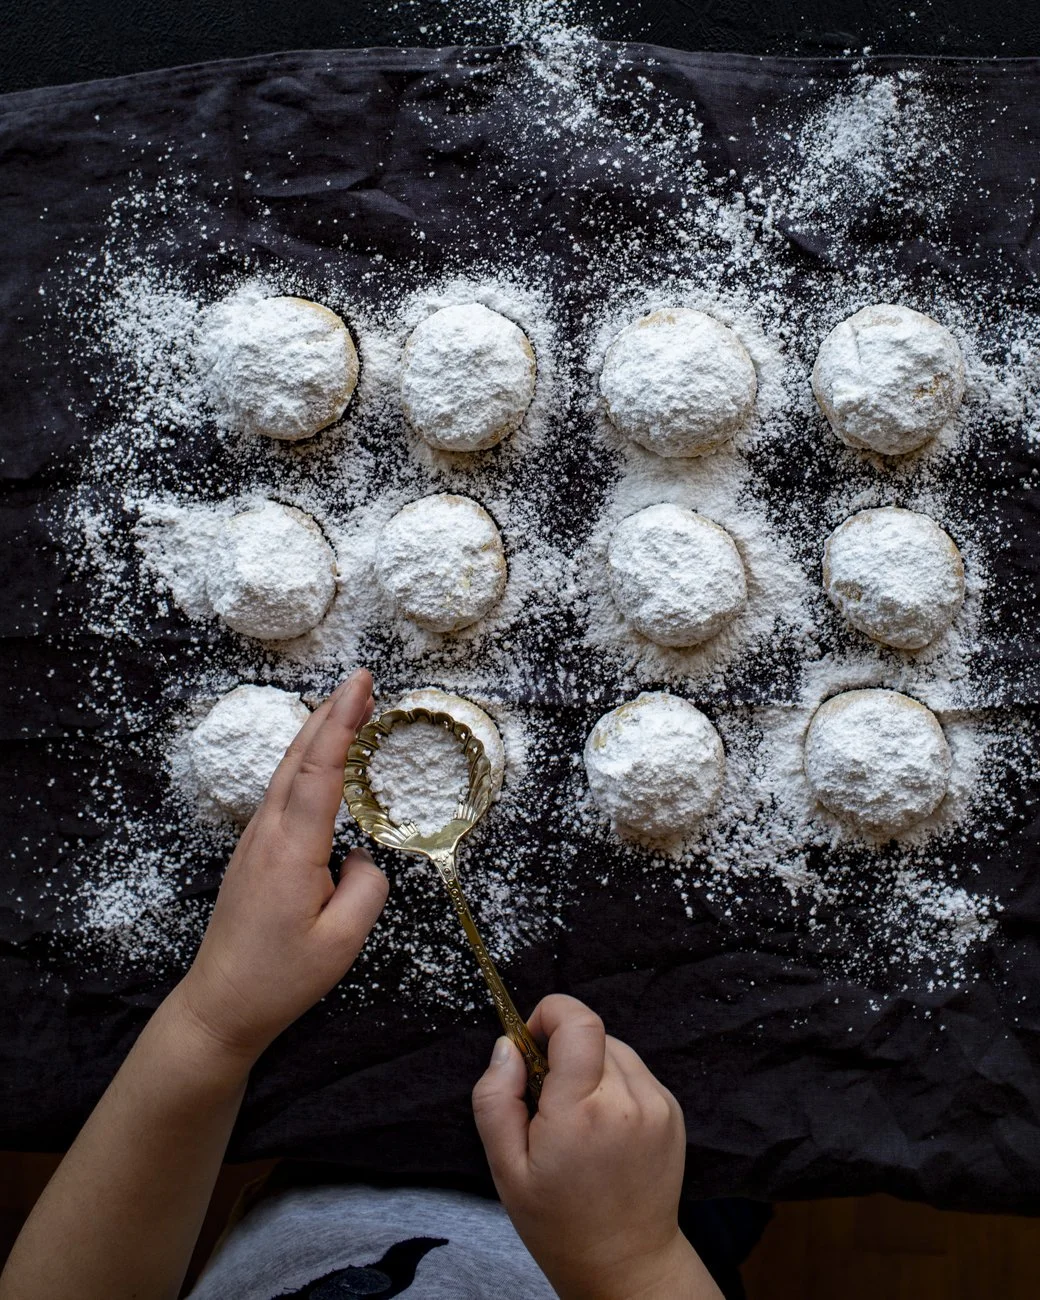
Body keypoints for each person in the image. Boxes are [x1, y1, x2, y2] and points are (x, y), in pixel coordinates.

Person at [0, 671, 759, 1299]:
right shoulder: (634, 1245)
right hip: (629, 1201)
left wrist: (213, 1022)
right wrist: (635, 1259)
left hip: (303, 1193)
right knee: (722, 1140)